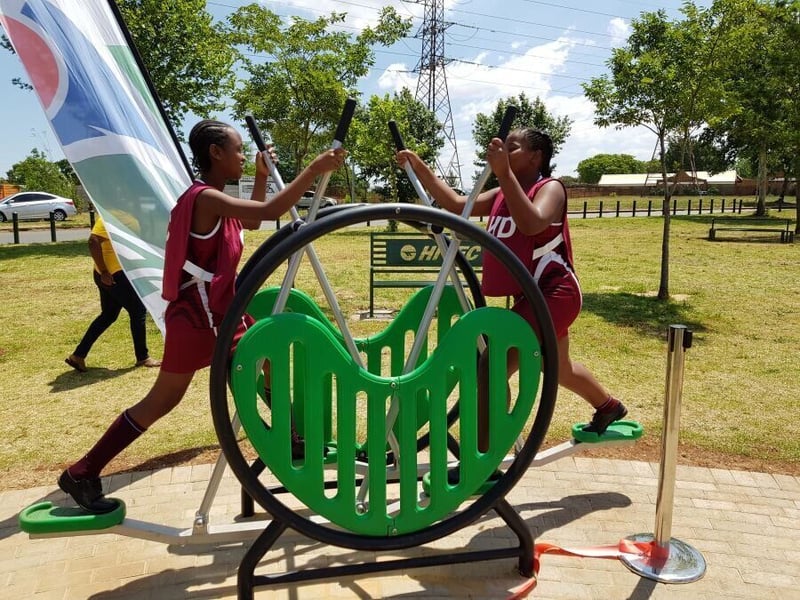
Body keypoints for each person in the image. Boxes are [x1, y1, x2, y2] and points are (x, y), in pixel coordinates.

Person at [58, 119, 346, 513]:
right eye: (239, 150)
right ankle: (82, 472)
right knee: (163, 400)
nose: (244, 156)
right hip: (200, 319)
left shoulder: (213, 199)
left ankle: (292, 436)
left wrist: (261, 175)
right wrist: (314, 169)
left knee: (266, 362)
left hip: (218, 314)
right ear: (216, 153)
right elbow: (273, 210)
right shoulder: (205, 199)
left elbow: (253, 220)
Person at [397, 128, 627, 459]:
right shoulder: (503, 192)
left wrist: (503, 172)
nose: (504, 151)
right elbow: (456, 204)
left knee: (492, 364)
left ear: (536, 156)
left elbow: (533, 223)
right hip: (532, 296)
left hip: (555, 292)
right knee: (559, 367)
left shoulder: (550, 188)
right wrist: (419, 166)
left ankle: (484, 456)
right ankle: (609, 407)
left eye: (513, 148)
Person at [64, 217, 161, 372]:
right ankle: (143, 357)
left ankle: (78, 356)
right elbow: (93, 241)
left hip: (111, 273)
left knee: (108, 315)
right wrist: (104, 272)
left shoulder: (128, 216)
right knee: (138, 311)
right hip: (113, 274)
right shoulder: (111, 215)